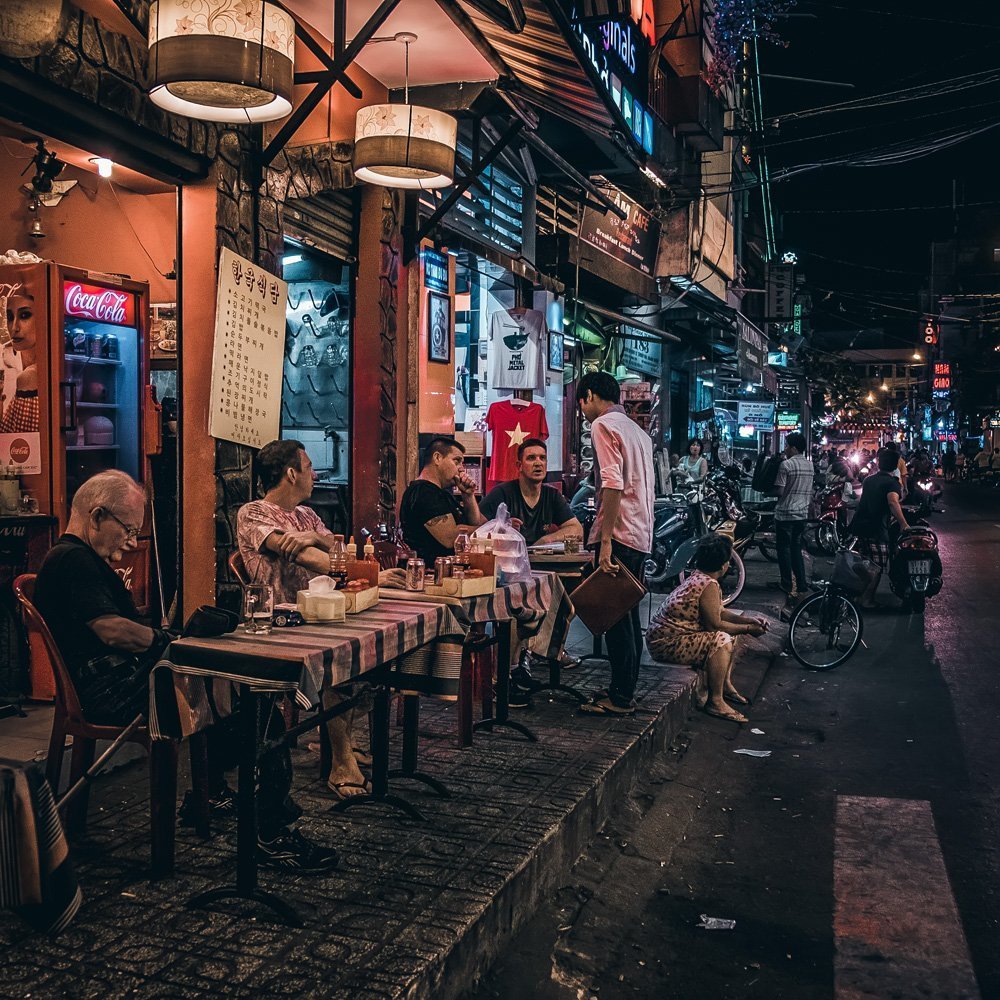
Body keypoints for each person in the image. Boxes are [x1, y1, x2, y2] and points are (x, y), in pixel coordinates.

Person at [36, 471, 338, 872]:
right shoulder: (73, 559)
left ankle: (208, 791)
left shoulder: (76, 557)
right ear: (96, 516)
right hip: (113, 690)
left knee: (233, 692)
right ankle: (270, 834)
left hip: (119, 679)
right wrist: (169, 642)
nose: (130, 543)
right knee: (258, 707)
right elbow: (111, 630)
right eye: (127, 530)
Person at [237, 439, 405, 802]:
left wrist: (318, 537)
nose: (315, 474)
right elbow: (308, 558)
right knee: (342, 656)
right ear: (292, 473)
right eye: (310, 467)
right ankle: (342, 762)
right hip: (283, 620)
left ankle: (346, 739)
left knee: (383, 650)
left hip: (324, 611)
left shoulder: (307, 515)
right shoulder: (254, 513)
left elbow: (335, 546)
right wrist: (367, 573)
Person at [575, 371, 654, 716]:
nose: (583, 412)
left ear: (590, 396)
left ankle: (620, 697)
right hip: (641, 533)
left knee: (614, 617)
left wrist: (604, 542)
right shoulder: (638, 431)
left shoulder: (603, 426)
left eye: (582, 404)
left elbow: (612, 484)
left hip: (620, 533)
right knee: (627, 615)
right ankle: (624, 690)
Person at [646, 534, 768, 724]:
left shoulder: (700, 577)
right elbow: (715, 625)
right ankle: (716, 701)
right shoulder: (708, 584)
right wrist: (747, 628)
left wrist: (750, 620)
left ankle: (724, 685)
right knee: (722, 639)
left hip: (664, 638)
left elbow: (719, 611)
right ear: (723, 566)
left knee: (730, 635)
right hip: (666, 643)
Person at [479, 438, 582, 547]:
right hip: (508, 559)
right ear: (519, 466)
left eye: (542, 458)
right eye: (531, 458)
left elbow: (576, 529)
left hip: (540, 560)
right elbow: (475, 527)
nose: (538, 463)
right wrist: (500, 528)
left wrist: (547, 540)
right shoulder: (501, 493)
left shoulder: (552, 495)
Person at [399, 436, 485, 564]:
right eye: (457, 461)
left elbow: (475, 523)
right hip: (429, 576)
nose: (461, 468)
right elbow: (450, 538)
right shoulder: (423, 492)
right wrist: (490, 529)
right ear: (437, 458)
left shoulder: (443, 495)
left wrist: (468, 495)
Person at [848, 448, 910, 609]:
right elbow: (892, 502)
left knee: (867, 564)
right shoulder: (892, 483)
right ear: (895, 465)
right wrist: (903, 523)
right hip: (876, 529)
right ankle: (866, 599)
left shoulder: (869, 480)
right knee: (877, 568)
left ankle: (861, 595)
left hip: (860, 527)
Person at [770, 431, 814, 600]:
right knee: (796, 548)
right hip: (802, 514)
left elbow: (780, 490)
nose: (785, 448)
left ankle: (786, 583)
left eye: (787, 445)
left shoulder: (786, 465)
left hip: (785, 513)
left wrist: (768, 493)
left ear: (794, 448)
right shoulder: (810, 465)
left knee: (784, 550)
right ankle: (801, 584)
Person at [0, 286, 39, 433]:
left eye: (24, 316)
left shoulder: (30, 376)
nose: (14, 327)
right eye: (10, 317)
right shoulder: (8, 362)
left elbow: (22, 441)